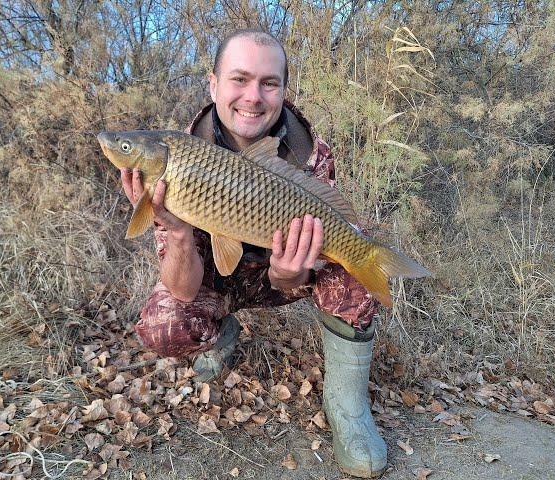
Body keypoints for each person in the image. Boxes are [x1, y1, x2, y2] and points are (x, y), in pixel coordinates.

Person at [119, 29, 387, 478]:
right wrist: (179, 232)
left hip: (283, 271)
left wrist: (289, 274)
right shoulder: (180, 154)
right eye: (239, 79)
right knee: (165, 323)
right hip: (214, 279)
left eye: (269, 83)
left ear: (284, 89)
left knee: (356, 261)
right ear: (213, 84)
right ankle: (221, 331)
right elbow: (183, 287)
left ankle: (348, 407)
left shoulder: (310, 154)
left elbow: (303, 264)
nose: (253, 96)